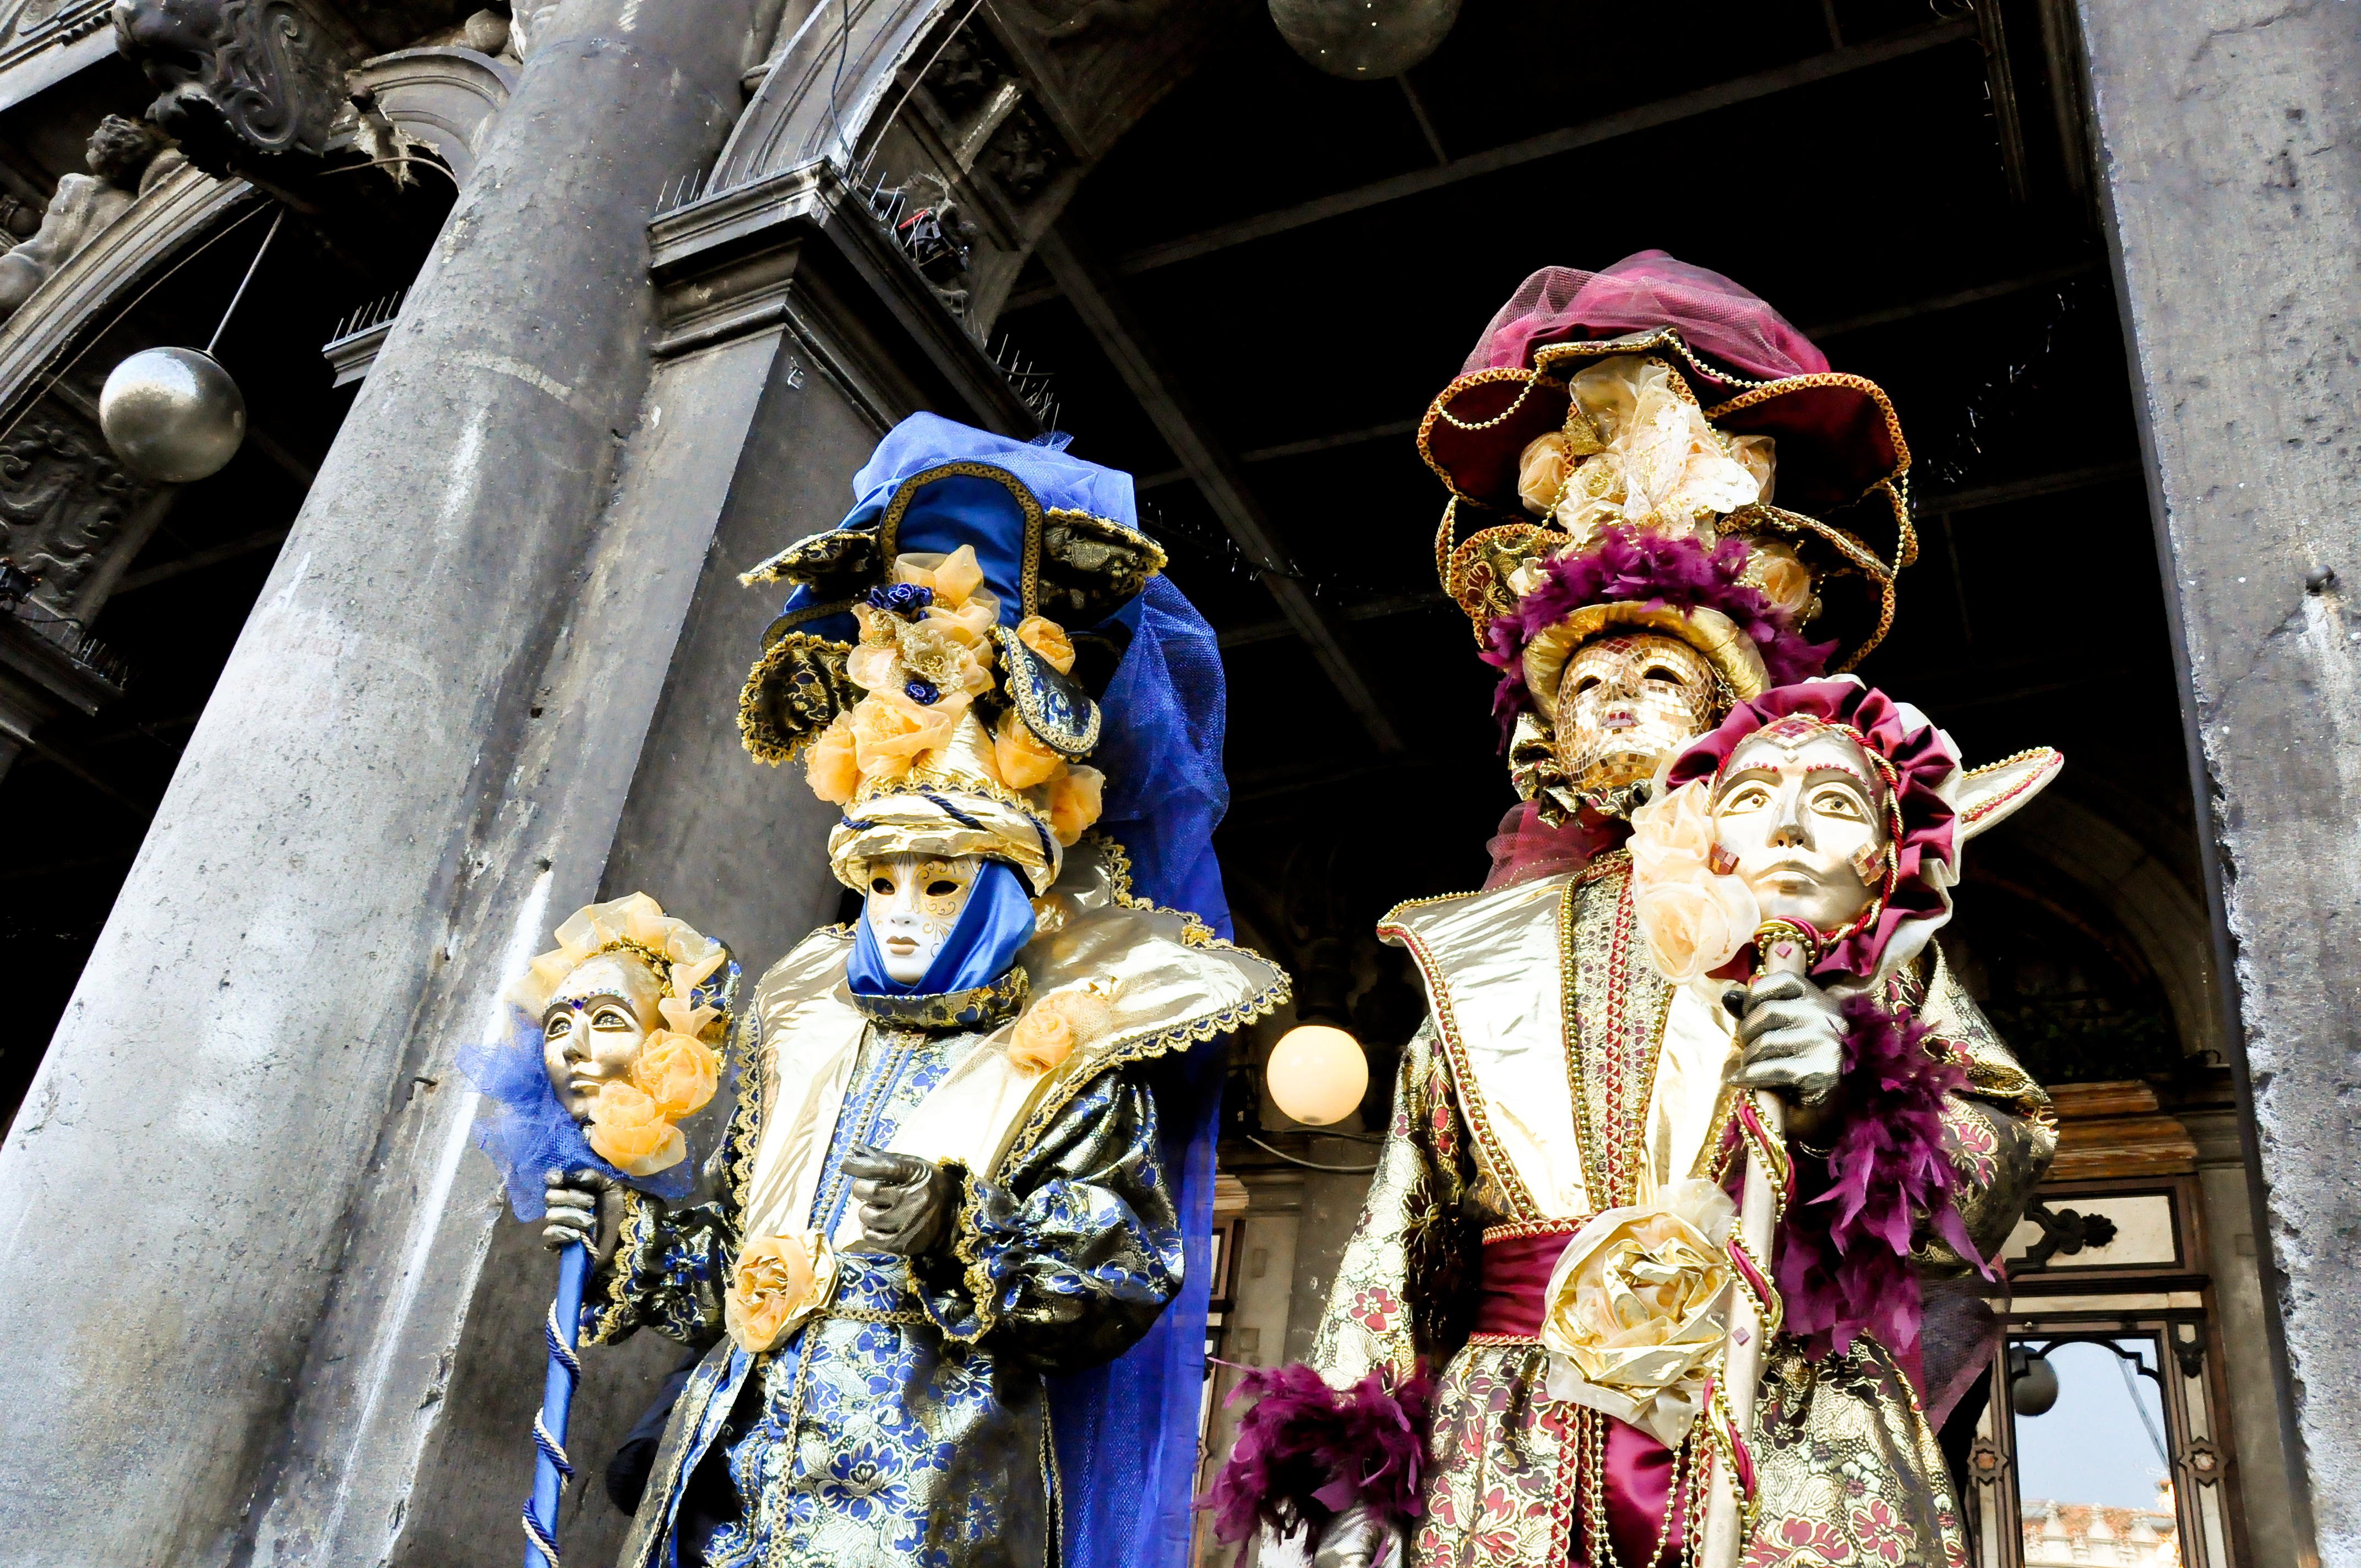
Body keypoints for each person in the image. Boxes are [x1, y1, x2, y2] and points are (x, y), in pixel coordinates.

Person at [1211, 255, 2058, 1568]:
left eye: (1657, 667)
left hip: (1772, 1426)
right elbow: (1402, 1233)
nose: (1612, 691)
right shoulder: (1472, 950)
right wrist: (1342, 1482)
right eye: (1587, 670)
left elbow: (1996, 1153)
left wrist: (1850, 1088)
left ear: (1725, 712)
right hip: (1508, 1455)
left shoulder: (1830, 917)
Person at [548, 414, 1286, 1568]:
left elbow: (1113, 1275)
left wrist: (962, 1229)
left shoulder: (1074, 1041)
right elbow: (735, 1252)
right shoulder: (806, 1018)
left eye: (938, 882)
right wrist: (629, 1241)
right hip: (725, 1495)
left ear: (999, 888)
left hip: (927, 1509)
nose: (897, 910)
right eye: (876, 879)